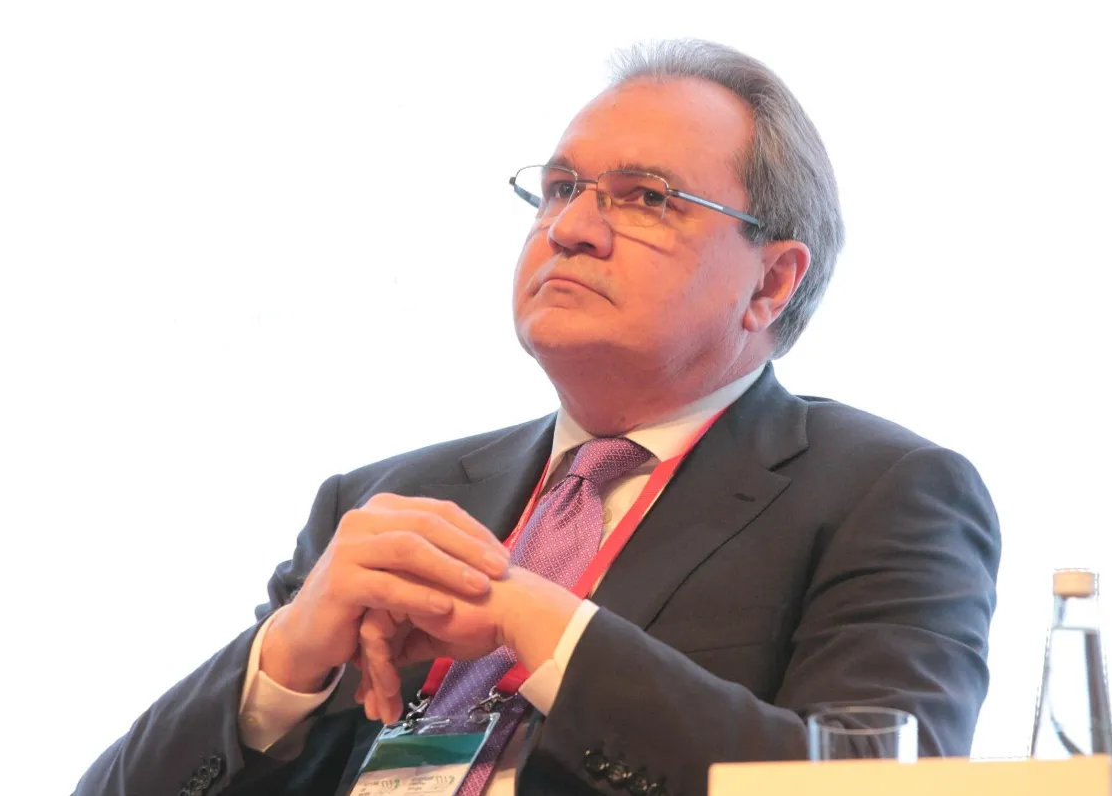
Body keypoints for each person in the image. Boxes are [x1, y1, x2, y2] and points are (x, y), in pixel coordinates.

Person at [76, 39, 1000, 796]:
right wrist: (279, 663)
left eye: (645, 198)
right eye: (560, 188)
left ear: (771, 281)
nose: (570, 229)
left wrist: (537, 621)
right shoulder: (382, 502)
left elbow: (876, 782)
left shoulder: (884, 494)